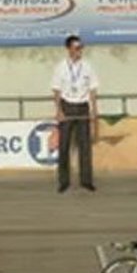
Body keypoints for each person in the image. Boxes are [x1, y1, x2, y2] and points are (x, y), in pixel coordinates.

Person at [52, 35, 98, 193]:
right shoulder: (60, 67)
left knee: (85, 146)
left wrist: (94, 110)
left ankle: (86, 181)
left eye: (81, 48)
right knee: (64, 146)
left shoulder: (87, 66)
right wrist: (59, 110)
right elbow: (56, 90)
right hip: (67, 106)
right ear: (69, 49)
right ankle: (64, 181)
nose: (80, 51)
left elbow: (92, 89)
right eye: (77, 48)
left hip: (83, 106)